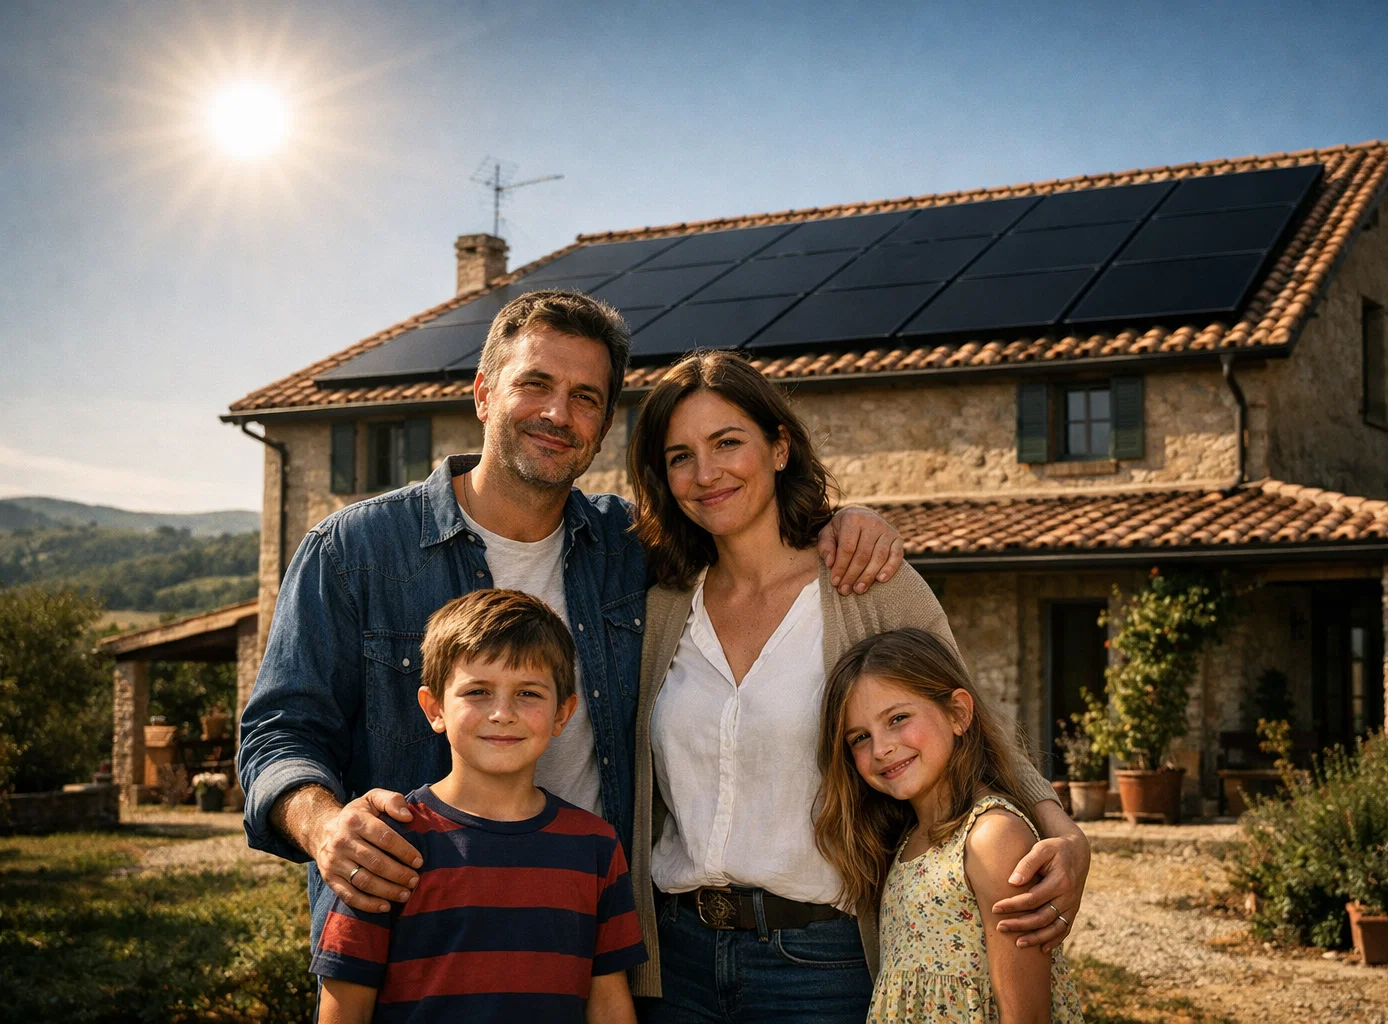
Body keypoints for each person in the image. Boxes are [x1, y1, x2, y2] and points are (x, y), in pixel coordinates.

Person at [236, 290, 905, 954]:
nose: (559, 414)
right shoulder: (354, 552)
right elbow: (279, 730)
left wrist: (838, 524)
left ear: (605, 423)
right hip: (414, 950)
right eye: (536, 384)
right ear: (483, 394)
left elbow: (745, 526)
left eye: (586, 397)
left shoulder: (632, 547)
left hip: (589, 945)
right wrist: (323, 826)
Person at [625, 351, 1091, 1022]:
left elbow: (963, 720)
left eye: (728, 442)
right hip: (678, 964)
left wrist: (1062, 830)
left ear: (779, 446)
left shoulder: (865, 581)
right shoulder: (663, 603)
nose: (706, 474)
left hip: (819, 963)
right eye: (679, 456)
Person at [310, 589, 647, 1023]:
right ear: (434, 709)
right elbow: (345, 1008)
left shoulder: (596, 847)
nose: (502, 713)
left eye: (528, 693)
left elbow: (608, 1003)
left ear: (563, 713)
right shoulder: (387, 844)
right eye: (478, 692)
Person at [816, 628, 1085, 1024]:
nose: (881, 748)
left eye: (898, 718)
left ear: (958, 713)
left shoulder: (992, 838)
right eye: (859, 737)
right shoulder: (907, 839)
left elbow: (1025, 1016)